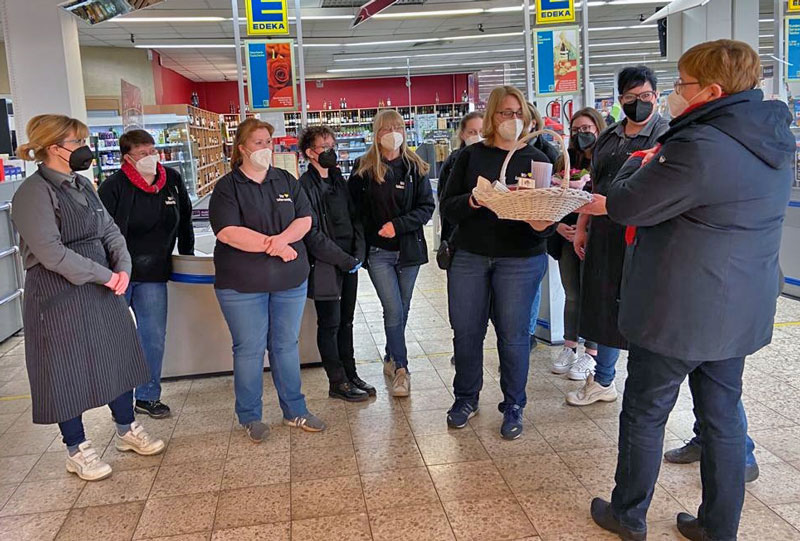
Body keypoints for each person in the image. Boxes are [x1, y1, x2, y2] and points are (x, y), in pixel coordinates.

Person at [583, 40, 793, 541]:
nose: (673, 94)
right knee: (722, 420)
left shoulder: (697, 147)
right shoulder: (774, 142)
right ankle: (718, 527)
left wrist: (641, 163)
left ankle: (627, 514)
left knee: (645, 412)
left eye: (682, 84)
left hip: (677, 311)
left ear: (713, 91)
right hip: (739, 309)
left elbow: (628, 204)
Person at [11, 114, 165, 482]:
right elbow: (51, 253)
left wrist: (123, 266)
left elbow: (109, 230)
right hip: (57, 294)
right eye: (77, 142)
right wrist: (107, 275)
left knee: (118, 354)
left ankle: (126, 428)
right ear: (53, 148)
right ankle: (76, 447)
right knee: (64, 369)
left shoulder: (83, 185)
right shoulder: (33, 193)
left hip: (104, 284)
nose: (85, 149)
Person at [441, 86, 555, 440]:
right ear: (492, 116)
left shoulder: (540, 157)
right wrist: (477, 200)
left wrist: (536, 217)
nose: (513, 119)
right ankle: (465, 398)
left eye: (518, 112)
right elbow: (448, 206)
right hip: (471, 256)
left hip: (520, 259)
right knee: (467, 332)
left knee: (515, 336)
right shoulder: (470, 156)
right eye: (505, 112)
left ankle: (514, 404)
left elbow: (545, 221)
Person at [210, 118, 325, 442]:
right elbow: (229, 232)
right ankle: (250, 415)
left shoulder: (285, 180)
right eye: (258, 142)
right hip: (242, 285)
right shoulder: (227, 188)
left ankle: (295, 410)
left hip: (289, 280)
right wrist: (275, 246)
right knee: (249, 349)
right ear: (242, 148)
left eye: (269, 142)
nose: (266, 148)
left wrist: (281, 242)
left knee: (286, 345)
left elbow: (304, 219)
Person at [566, 65, 669, 405]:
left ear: (656, 96)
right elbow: (593, 185)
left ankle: (643, 385)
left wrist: (609, 208)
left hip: (643, 237)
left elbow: (658, 195)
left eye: (645, 96)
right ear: (620, 99)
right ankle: (604, 379)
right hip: (603, 234)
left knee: (640, 308)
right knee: (604, 306)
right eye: (629, 97)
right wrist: (582, 226)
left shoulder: (666, 137)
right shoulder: (609, 136)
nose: (638, 103)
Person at [98, 129, 195, 419]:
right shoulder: (113, 186)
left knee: (152, 337)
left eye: (152, 151)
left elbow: (185, 219)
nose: (150, 158)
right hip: (118, 274)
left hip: (154, 272)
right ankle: (118, 400)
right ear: (126, 157)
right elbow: (101, 231)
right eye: (142, 153)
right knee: (116, 338)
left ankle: (148, 396)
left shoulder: (172, 181)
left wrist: (186, 256)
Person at [349, 110, 435, 397]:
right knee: (393, 309)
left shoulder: (416, 167)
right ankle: (401, 369)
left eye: (398, 126)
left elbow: (426, 208)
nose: (393, 132)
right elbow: (355, 212)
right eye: (386, 128)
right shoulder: (363, 169)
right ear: (376, 133)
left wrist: (397, 226)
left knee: (403, 308)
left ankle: (390, 355)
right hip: (378, 253)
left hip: (409, 251)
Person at [298, 125, 372, 402]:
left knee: (348, 321)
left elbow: (356, 219)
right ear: (310, 153)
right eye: (324, 147)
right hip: (326, 264)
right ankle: (336, 381)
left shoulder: (340, 181)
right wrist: (342, 259)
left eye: (332, 144)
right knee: (330, 322)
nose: (331, 151)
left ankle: (351, 373)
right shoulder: (304, 187)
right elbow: (312, 232)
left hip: (350, 261)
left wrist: (358, 255)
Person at [547, 108, 606, 375]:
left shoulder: (606, 160)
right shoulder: (564, 161)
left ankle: (591, 353)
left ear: (598, 128)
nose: (581, 134)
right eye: (576, 130)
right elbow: (549, 200)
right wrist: (558, 227)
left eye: (587, 129)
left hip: (598, 237)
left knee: (593, 295)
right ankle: (569, 347)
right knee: (572, 294)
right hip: (566, 235)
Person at [438, 111, 484, 243]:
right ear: (463, 135)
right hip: (459, 236)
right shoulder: (453, 162)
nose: (478, 136)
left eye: (481, 131)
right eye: (472, 132)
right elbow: (445, 200)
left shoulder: (497, 160)